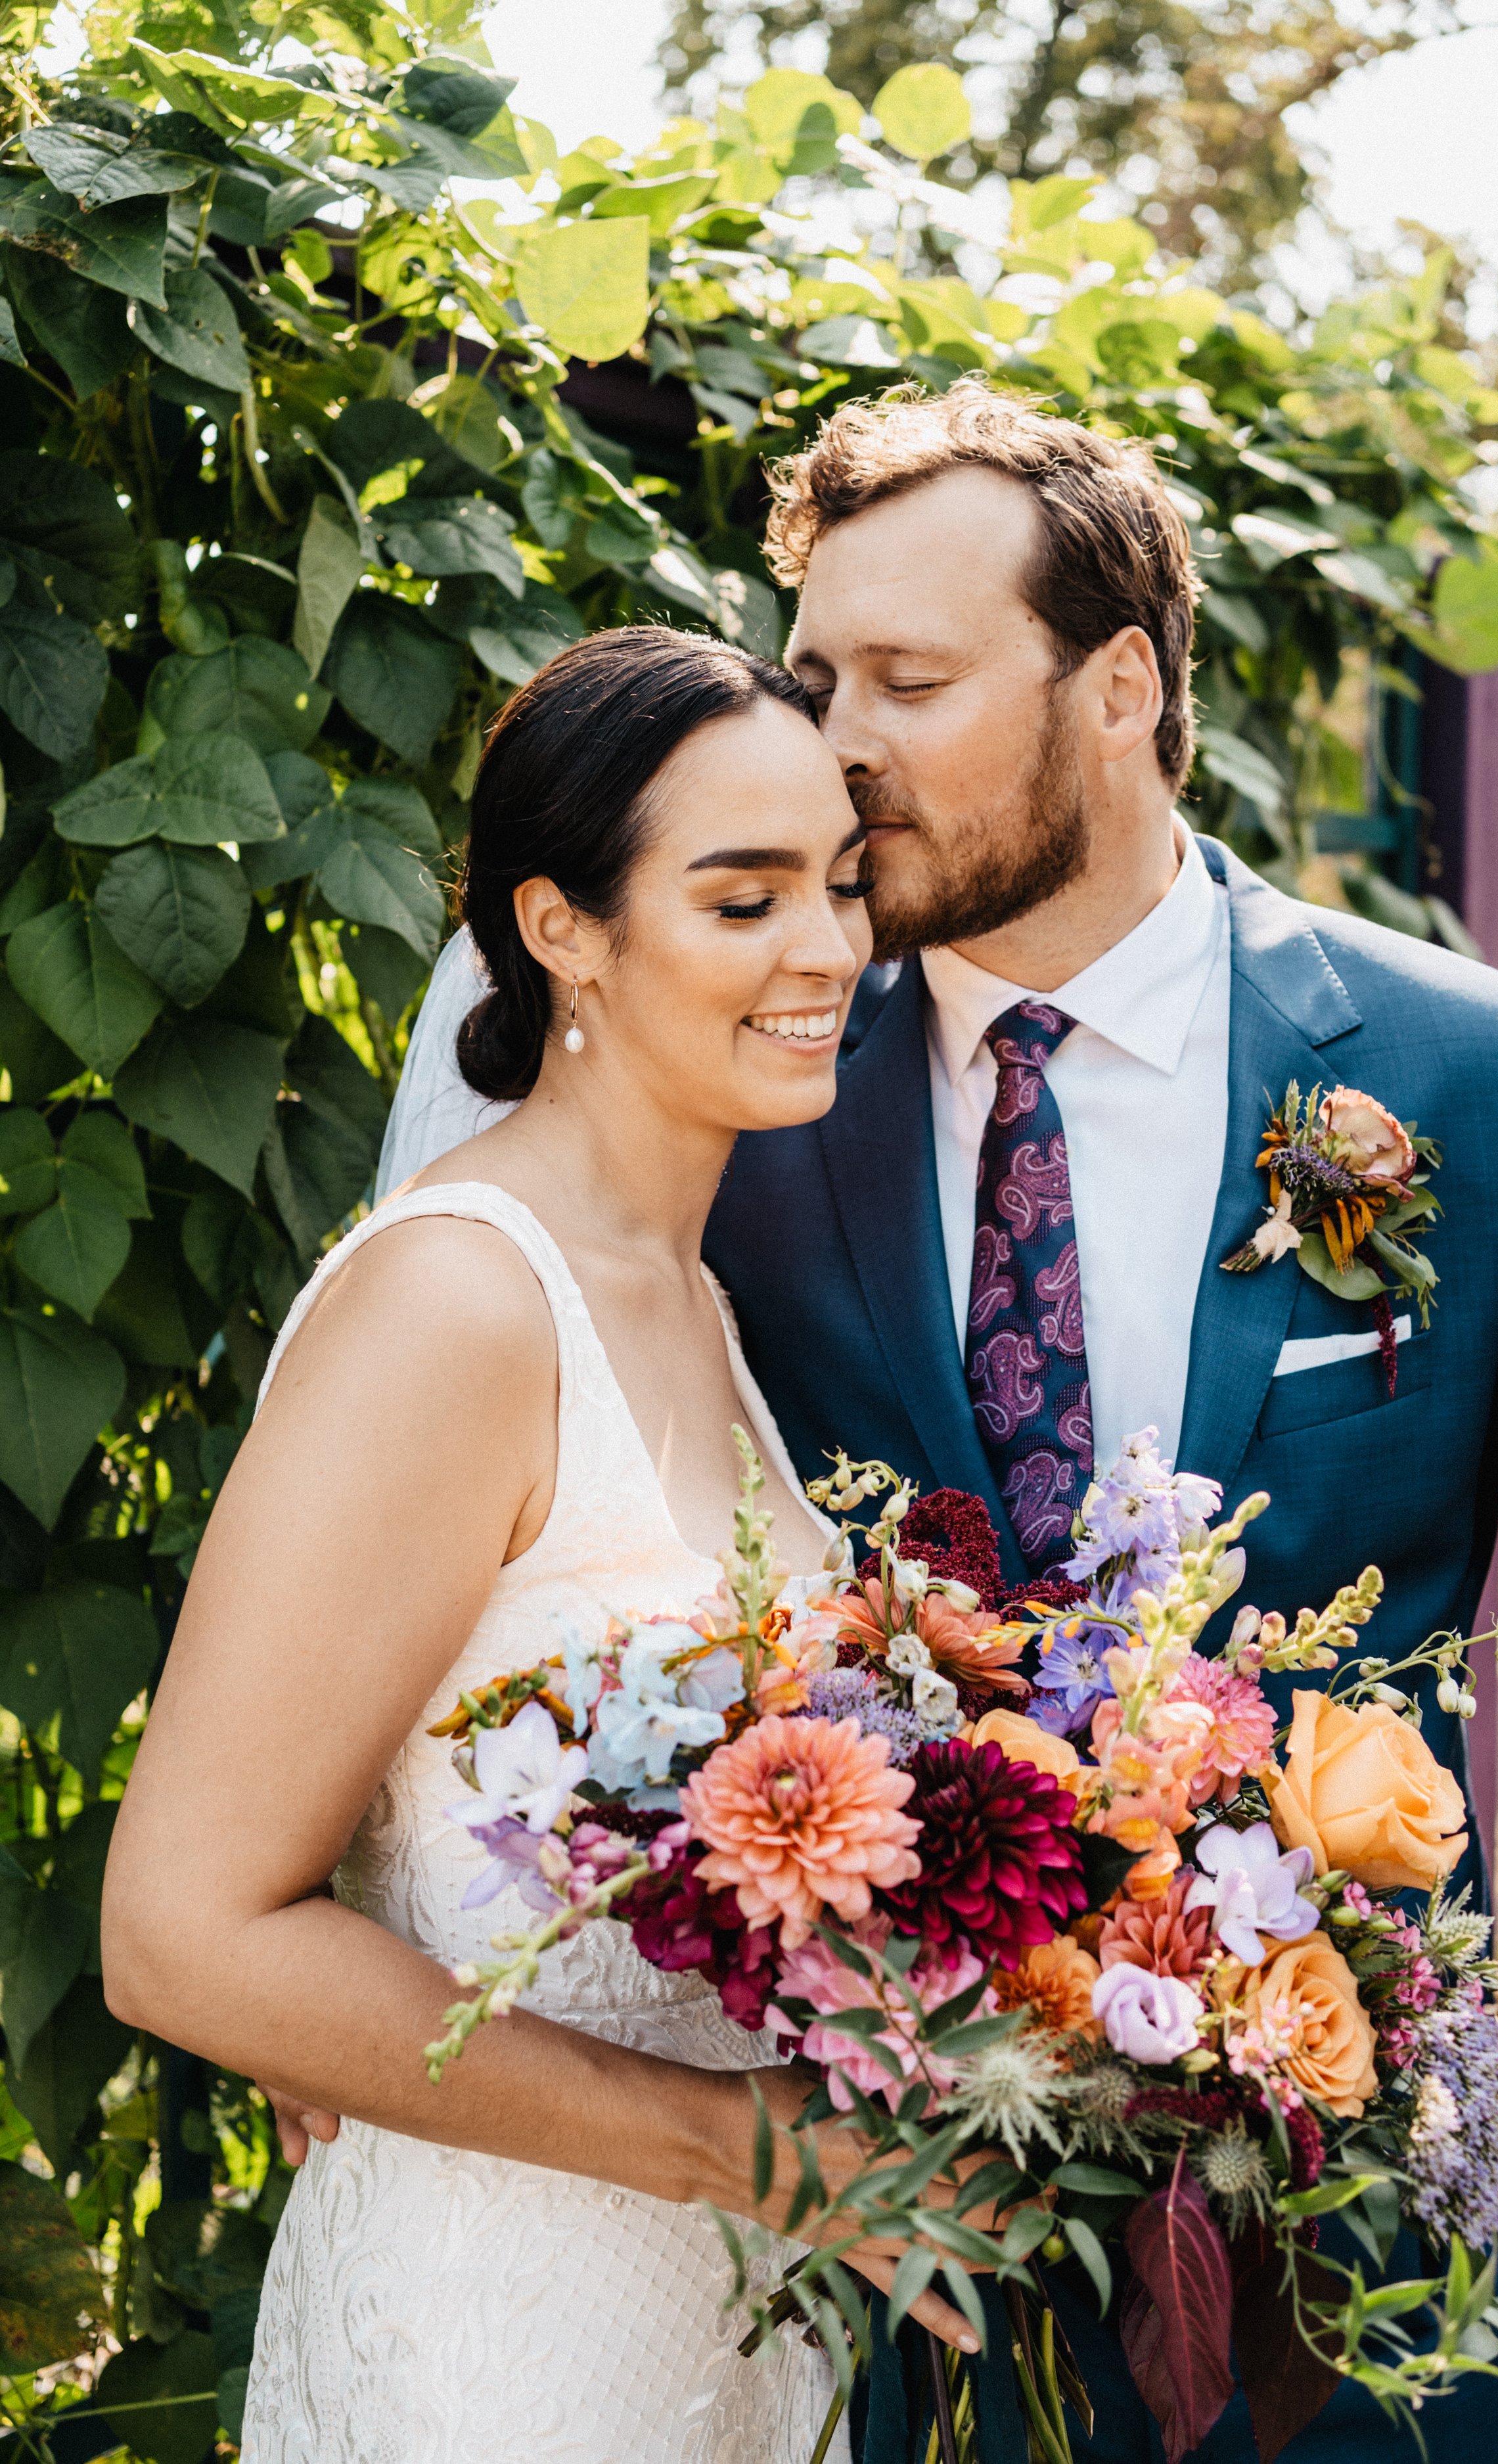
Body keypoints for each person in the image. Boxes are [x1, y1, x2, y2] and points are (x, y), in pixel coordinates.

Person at [374, 382, 1498, 2463]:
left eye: (908, 678)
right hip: (885, 2222)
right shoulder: (743, 1100)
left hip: (1355, 2206)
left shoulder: (1482, 1082)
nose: (834, 741)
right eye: (810, 676)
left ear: (1121, 683)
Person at [101, 627, 983, 2464]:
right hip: (499, 2343)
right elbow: (183, 1935)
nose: (825, 950)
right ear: (563, 928)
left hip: (734, 2323)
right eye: (740, 901)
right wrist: (744, 2150)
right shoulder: (458, 1305)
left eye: (837, 883)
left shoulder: (694, 1305)